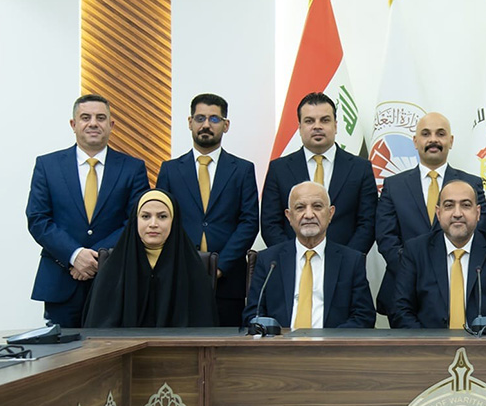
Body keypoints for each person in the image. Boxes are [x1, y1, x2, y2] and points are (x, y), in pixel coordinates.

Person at [26, 94, 150, 327]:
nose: (93, 123)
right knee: (63, 349)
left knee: (114, 349)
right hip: (61, 279)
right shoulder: (47, 165)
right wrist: (74, 255)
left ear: (111, 125)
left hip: (114, 280)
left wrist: (96, 257)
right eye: (85, 117)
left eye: (100, 118)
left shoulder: (133, 168)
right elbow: (38, 219)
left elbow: (136, 221)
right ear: (73, 124)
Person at [155, 94, 259, 326]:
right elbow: (161, 221)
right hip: (179, 276)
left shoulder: (242, 170)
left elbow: (249, 222)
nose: (206, 125)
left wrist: (219, 267)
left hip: (228, 280)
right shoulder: (170, 170)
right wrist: (185, 264)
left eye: (214, 119)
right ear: (190, 122)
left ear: (226, 125)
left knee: (226, 345)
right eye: (200, 118)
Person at [375, 112, 486, 316]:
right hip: (403, 290)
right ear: (415, 141)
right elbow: (386, 238)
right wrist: (414, 271)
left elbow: (478, 232)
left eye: (440, 134)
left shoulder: (472, 184)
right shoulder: (393, 185)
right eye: (426, 134)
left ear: (451, 141)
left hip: (457, 285)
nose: (433, 140)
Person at [390, 180, 486, 329]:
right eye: (449, 206)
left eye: (466, 205)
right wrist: (428, 341)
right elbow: (400, 310)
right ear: (438, 213)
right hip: (430, 342)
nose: (457, 214)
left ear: (477, 213)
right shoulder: (416, 250)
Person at [244, 181, 375, 330]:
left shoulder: (351, 261)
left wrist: (330, 340)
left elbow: (364, 317)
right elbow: (253, 315)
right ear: (289, 216)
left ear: (330, 213)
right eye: (300, 208)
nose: (309, 215)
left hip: (332, 343)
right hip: (280, 343)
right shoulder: (269, 261)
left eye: (317, 206)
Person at [260, 92, 376, 253]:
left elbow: (368, 224)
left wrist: (347, 261)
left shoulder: (360, 168)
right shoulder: (279, 169)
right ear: (300, 128)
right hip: (292, 263)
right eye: (309, 121)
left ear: (335, 126)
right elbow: (270, 224)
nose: (317, 126)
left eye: (325, 120)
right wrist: (294, 258)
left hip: (346, 263)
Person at [83, 190, 218, 327]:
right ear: (135, 220)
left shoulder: (192, 267)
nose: (153, 224)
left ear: (174, 221)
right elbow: (98, 328)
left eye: (162, 216)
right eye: (145, 216)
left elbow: (203, 327)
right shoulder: (113, 268)